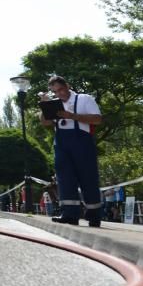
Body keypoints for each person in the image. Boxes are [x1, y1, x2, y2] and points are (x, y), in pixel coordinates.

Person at [40, 75, 104, 227]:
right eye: (55, 91)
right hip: (61, 144)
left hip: (83, 143)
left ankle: (94, 215)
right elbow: (45, 123)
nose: (59, 94)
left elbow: (97, 119)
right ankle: (69, 214)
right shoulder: (55, 103)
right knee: (64, 179)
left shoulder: (84, 99)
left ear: (67, 85)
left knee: (88, 177)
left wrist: (72, 116)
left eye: (61, 89)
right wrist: (44, 106)